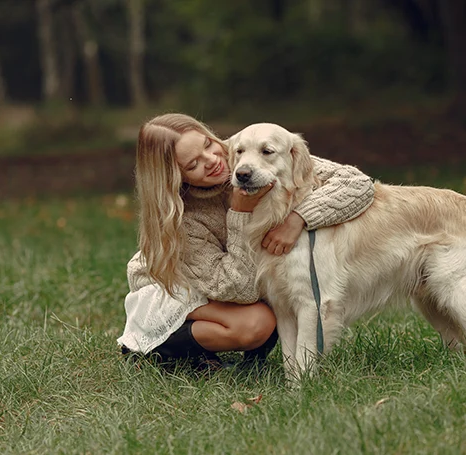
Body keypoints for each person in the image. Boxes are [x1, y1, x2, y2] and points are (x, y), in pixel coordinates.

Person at [117, 113, 375, 371]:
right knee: (257, 323)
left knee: (279, 296)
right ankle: (158, 352)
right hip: (176, 290)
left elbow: (358, 184)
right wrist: (239, 213)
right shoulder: (183, 221)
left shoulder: (243, 152)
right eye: (193, 164)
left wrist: (299, 218)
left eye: (208, 145)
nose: (213, 161)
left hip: (224, 282)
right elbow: (238, 289)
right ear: (174, 176)